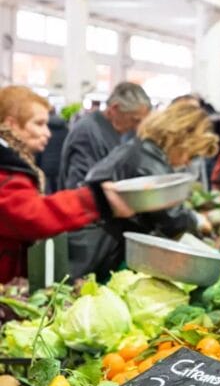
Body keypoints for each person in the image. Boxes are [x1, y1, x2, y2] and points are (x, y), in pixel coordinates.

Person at [67, 103, 219, 280]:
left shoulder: (141, 150)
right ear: (181, 138)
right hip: (92, 248)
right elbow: (170, 219)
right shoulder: (148, 160)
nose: (186, 162)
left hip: (91, 242)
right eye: (191, 155)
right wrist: (197, 221)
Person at [0, 86, 132, 283]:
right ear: (12, 124)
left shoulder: (15, 164)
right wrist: (95, 199)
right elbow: (31, 215)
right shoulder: (5, 171)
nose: (48, 133)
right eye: (39, 124)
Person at [59, 82, 151, 189]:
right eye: (134, 120)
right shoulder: (87, 132)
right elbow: (79, 185)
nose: (136, 127)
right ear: (115, 109)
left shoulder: (113, 131)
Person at [36, 107, 68, 194]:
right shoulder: (65, 129)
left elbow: (39, 151)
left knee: (47, 193)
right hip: (60, 165)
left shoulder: (44, 130)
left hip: (45, 165)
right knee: (58, 191)